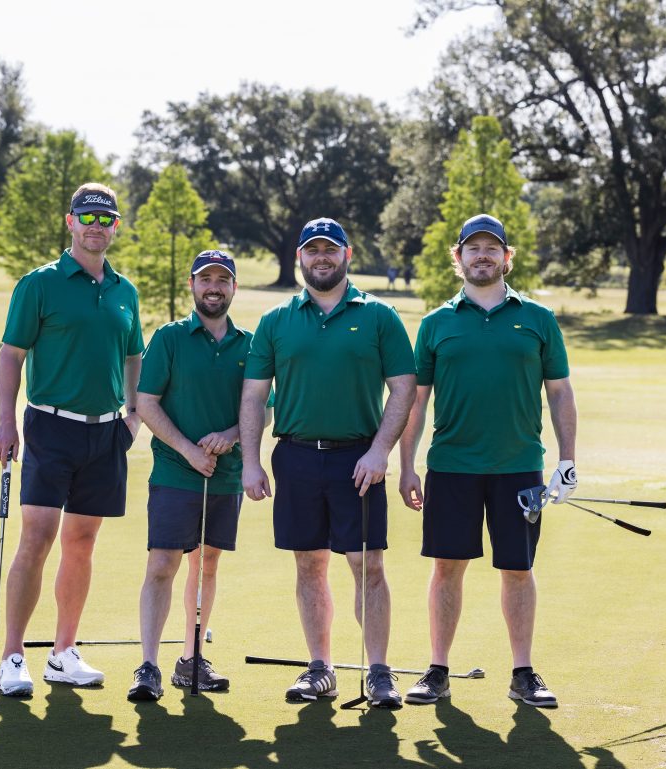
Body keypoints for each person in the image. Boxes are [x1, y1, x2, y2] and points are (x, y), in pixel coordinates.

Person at [397, 213, 577, 708]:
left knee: (518, 569)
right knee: (447, 567)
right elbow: (417, 400)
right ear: (457, 258)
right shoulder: (436, 324)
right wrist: (407, 463)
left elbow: (559, 392)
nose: (482, 256)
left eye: (491, 248)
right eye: (472, 248)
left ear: (506, 257)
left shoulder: (538, 318)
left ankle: (523, 673)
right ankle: (437, 670)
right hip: (451, 466)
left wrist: (568, 461)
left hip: (519, 466)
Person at [240, 217, 417, 709]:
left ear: (347, 254)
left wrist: (380, 451)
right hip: (295, 457)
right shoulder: (276, 321)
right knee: (308, 564)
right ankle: (321, 669)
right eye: (312, 250)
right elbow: (254, 397)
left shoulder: (379, 316)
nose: (322, 257)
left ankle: (380, 672)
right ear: (300, 256)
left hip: (358, 460)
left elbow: (403, 389)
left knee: (368, 566)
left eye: (330, 249)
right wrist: (251, 462)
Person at [0, 183, 143, 696]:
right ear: (70, 222)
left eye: (106, 218)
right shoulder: (39, 284)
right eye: (88, 217)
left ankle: (63, 653)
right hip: (50, 427)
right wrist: (6, 422)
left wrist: (134, 416)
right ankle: (13, 656)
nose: (97, 226)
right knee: (37, 538)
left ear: (115, 226)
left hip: (106, 433)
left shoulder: (125, 290)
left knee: (82, 542)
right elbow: (11, 355)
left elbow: (133, 356)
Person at [128, 249, 269, 702]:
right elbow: (146, 403)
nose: (214, 287)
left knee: (207, 563)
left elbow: (266, 408)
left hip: (224, 476)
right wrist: (188, 450)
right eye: (205, 279)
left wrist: (232, 435)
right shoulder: (169, 338)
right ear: (192, 285)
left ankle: (192, 658)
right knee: (162, 565)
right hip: (175, 473)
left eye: (222, 280)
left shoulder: (251, 345)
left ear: (234, 287)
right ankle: (148, 665)